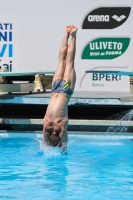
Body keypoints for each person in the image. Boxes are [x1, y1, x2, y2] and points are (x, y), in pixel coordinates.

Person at [43, 25, 77, 152]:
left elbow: (64, 141)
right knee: (61, 61)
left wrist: (63, 148)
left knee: (70, 62)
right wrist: (46, 144)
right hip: (55, 89)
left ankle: (73, 36)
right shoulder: (46, 124)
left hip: (65, 90)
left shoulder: (61, 126)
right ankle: (66, 34)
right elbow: (44, 141)